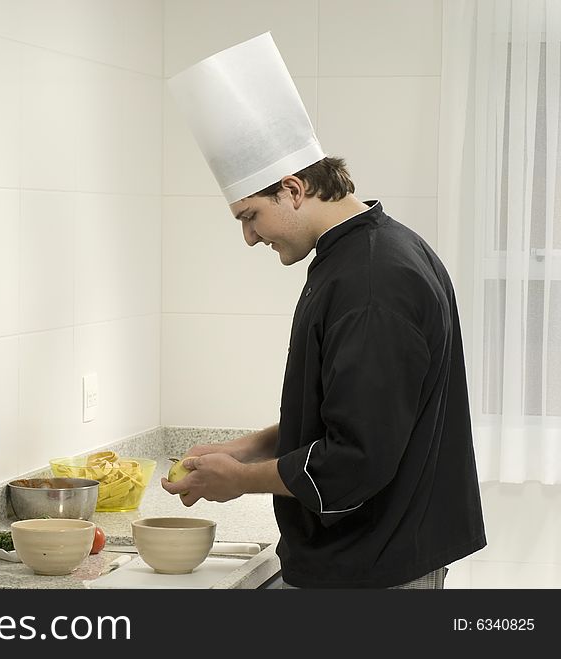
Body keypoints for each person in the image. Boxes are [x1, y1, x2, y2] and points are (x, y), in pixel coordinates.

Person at [162, 33, 486, 589]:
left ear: (292, 189)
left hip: (373, 575)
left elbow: (354, 460)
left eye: (249, 215)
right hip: (371, 561)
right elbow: (351, 413)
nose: (248, 237)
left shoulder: (371, 283)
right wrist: (247, 447)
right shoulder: (363, 253)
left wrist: (240, 478)